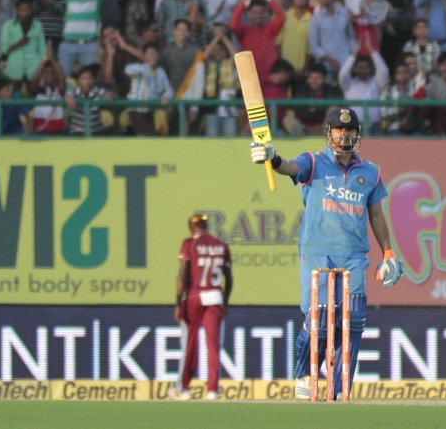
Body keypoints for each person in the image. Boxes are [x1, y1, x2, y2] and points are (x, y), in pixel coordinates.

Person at [249, 107, 404, 400]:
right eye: (338, 129)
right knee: (319, 318)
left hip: (355, 254)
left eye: (349, 130)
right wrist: (272, 158)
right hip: (318, 251)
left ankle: (338, 389)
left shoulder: (370, 172)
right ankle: (305, 373)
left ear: (358, 134)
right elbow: (290, 168)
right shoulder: (313, 162)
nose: (344, 134)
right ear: (328, 132)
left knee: (353, 320)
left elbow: (377, 215)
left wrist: (388, 251)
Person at [167, 213, 232, 402]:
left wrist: (179, 302)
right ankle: (212, 390)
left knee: (190, 343)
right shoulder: (220, 244)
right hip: (215, 295)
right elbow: (229, 278)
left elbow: (183, 274)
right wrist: (225, 301)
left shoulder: (190, 243)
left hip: (195, 295)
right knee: (213, 345)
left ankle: (184, 388)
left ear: (190, 227)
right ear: (206, 225)